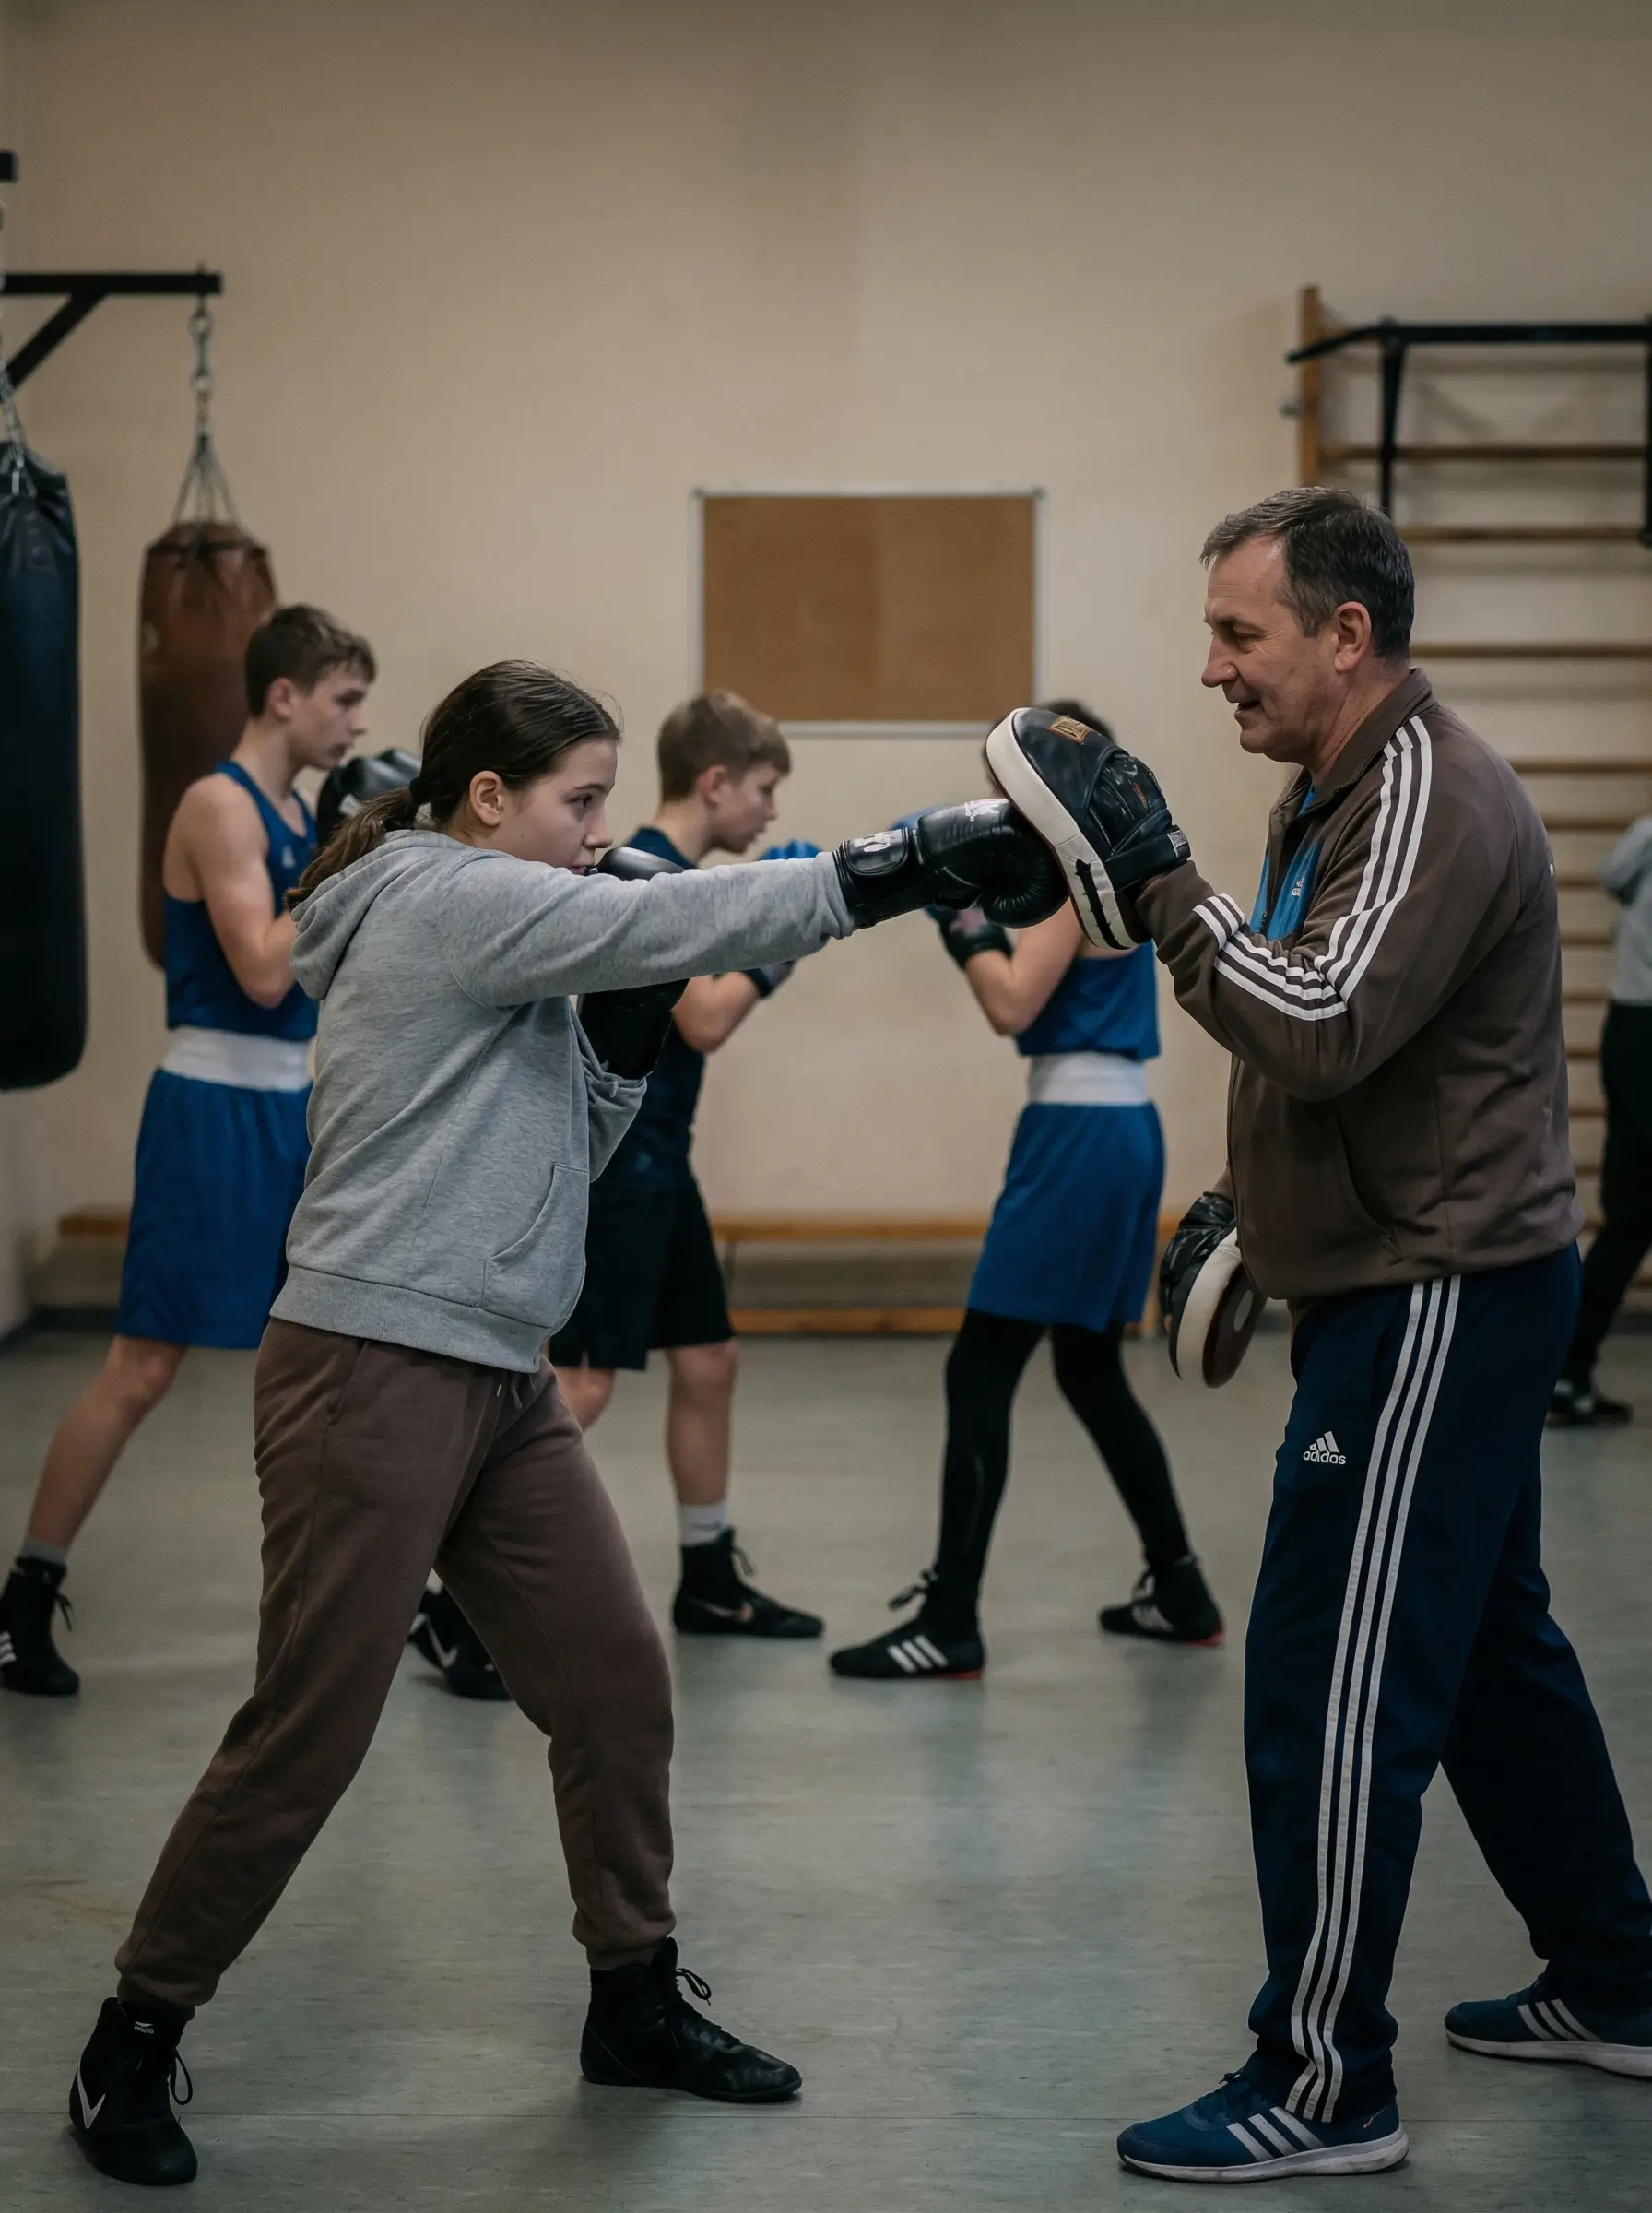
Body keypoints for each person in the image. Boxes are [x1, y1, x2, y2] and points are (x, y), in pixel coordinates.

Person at [63, 657, 1064, 2188]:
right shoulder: (435, 896)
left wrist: (622, 1044)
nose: (602, 833)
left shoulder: (515, 934)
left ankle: (633, 1998)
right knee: (309, 1731)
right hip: (371, 1361)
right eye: (578, 804)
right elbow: (667, 916)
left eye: (605, 804)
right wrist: (895, 861)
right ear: (485, 801)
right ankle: (133, 2033)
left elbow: (576, 1135)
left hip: (499, 1375)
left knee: (610, 1682)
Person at [987, 489, 1652, 2184]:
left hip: (1433, 1293)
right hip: (1407, 1274)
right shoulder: (1329, 794)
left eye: (1237, 632)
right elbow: (1332, 1038)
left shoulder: (1421, 791)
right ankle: (1618, 1978)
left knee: (1329, 1681)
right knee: (1489, 1654)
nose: (1210, 666)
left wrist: (1152, 877)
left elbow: (1326, 1020)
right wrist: (1250, 1206)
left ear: (1343, 635)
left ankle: (1320, 2079)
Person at [0, 606, 373, 1699]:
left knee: (340, 1362)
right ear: (284, 695)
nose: (356, 721)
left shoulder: (302, 810)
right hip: (210, 1110)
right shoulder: (220, 803)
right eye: (344, 698)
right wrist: (358, 864)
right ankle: (23, 1599)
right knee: (143, 1368)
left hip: (293, 1114)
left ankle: (395, 1601)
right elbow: (264, 968)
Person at [830, 702, 1221, 1682]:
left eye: (1012, 788)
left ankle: (950, 1619)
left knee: (979, 1371)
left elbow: (1012, 1002)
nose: (998, 808)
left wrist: (955, 916)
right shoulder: (1109, 865)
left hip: (1080, 1134)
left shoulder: (1072, 876)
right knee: (1089, 1373)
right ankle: (1179, 1588)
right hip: (1111, 1127)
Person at [549, 692, 824, 1639]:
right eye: (762, 789)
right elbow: (702, 1019)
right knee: (577, 1386)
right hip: (614, 1169)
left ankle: (707, 1575)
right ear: (713, 783)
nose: (770, 812)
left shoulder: (681, 877)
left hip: (664, 1164)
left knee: (708, 1361)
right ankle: (451, 1594)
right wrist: (785, 938)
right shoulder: (637, 876)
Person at [1550, 812, 1652, 1425]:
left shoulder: (1644, 834)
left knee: (1632, 1220)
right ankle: (1565, 1370)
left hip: (1630, 1031)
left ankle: (1568, 1372)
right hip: (1644, 1028)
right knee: (1632, 1219)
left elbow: (1614, 878)